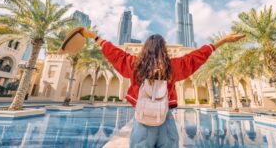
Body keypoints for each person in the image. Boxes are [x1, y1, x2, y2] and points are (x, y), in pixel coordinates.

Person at [81, 29, 244, 148]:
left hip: (142, 121)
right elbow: (196, 57)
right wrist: (222, 40)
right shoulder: (172, 67)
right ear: (164, 49)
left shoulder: (134, 65)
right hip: (166, 120)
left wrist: (94, 36)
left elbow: (114, 53)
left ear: (145, 48)